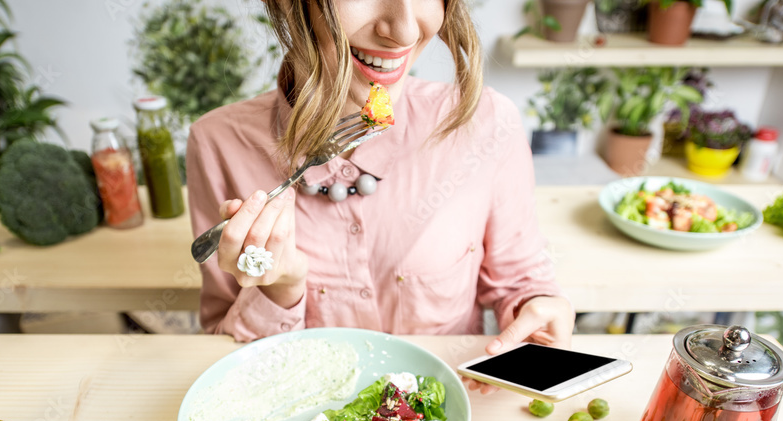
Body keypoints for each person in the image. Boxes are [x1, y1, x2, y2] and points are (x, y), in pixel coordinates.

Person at [186, 0, 575, 393]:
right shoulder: (218, 143)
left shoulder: (487, 123)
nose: (405, 30)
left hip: (455, 412)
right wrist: (279, 289)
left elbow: (519, 281)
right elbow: (226, 356)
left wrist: (537, 306)